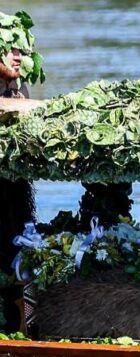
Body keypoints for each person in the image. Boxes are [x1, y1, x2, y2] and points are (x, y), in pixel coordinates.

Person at [0, 11, 44, 332]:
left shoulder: (18, 88)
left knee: (21, 268)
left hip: (13, 200)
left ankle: (22, 332)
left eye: (21, 48)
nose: (18, 55)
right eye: (10, 47)